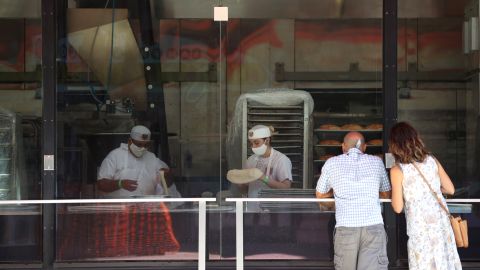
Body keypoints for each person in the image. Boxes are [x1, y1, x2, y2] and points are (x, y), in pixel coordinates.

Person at [389, 122, 461, 270]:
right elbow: (450, 189)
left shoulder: (397, 170)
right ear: (415, 139)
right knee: (444, 262)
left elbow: (397, 207)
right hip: (440, 224)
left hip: (420, 228)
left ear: (395, 145)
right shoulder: (431, 160)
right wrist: (431, 190)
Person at [316, 131, 391, 270]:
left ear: (343, 147)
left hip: (346, 227)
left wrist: (336, 192)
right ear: (365, 147)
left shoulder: (331, 163)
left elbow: (320, 195)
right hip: (373, 226)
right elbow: (387, 194)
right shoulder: (377, 162)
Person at [97, 125, 170, 197]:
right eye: (139, 144)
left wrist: (167, 175)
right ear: (129, 141)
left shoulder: (152, 158)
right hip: (119, 206)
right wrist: (120, 184)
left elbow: (167, 182)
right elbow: (101, 184)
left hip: (146, 207)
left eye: (146, 145)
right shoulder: (115, 156)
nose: (142, 148)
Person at [241, 125, 293, 198]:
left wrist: (263, 177)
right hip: (252, 208)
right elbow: (244, 190)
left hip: (274, 208)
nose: (253, 147)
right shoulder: (250, 160)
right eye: (251, 143)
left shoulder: (281, 160)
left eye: (256, 143)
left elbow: (286, 188)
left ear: (267, 141)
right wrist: (241, 182)